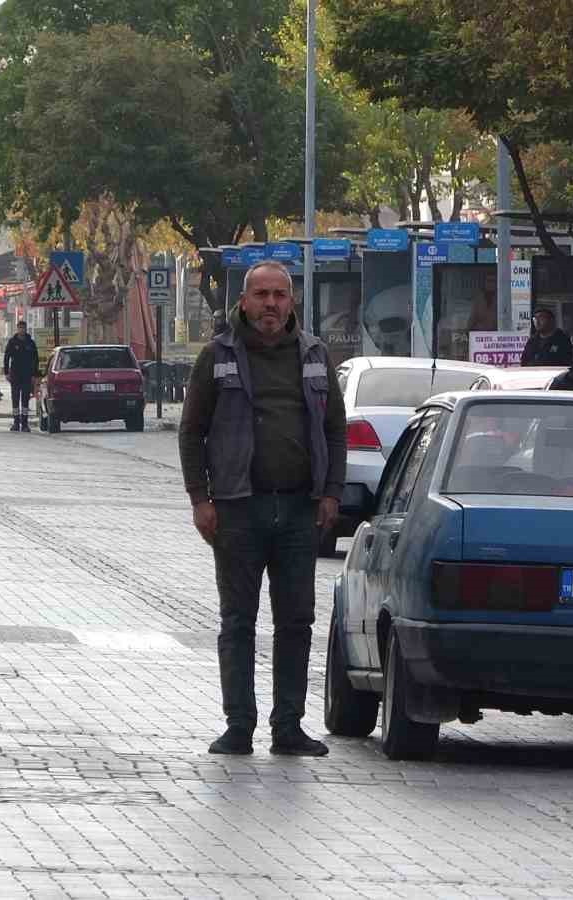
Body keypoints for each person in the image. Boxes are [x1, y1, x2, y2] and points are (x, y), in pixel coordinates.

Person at [178, 260, 346, 758]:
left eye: (279, 295)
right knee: (238, 622)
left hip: (299, 511)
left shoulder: (315, 355)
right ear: (245, 300)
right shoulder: (217, 355)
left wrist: (331, 493)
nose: (271, 304)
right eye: (262, 295)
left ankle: (288, 726)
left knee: (296, 623)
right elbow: (191, 432)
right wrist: (200, 499)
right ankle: (238, 726)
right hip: (237, 511)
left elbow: (336, 430)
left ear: (291, 302)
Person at [3, 320, 39, 432]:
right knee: (15, 399)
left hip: (27, 375)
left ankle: (24, 423)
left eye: (23, 328)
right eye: (20, 328)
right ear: (17, 329)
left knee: (25, 400)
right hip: (15, 375)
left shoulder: (30, 342)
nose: (21, 330)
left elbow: (35, 359)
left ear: (26, 329)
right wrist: (6, 373)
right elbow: (6, 357)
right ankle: (15, 422)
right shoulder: (12, 342)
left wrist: (34, 374)